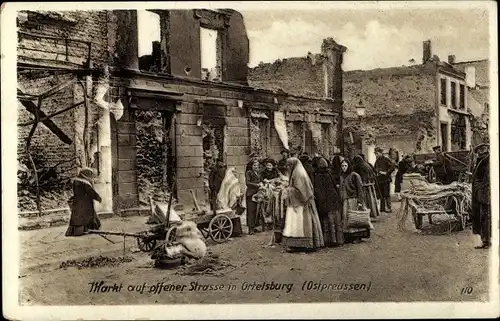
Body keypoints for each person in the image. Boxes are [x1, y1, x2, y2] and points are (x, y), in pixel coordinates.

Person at [282, 157, 324, 252]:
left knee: (300, 224)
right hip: (295, 203)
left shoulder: (300, 175)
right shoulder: (295, 173)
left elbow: (301, 192)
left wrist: (288, 190)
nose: (288, 167)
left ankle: (303, 245)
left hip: (300, 204)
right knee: (294, 224)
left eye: (289, 165)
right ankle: (294, 245)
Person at [313, 157, 344, 247]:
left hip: (326, 202)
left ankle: (329, 241)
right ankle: (338, 240)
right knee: (336, 221)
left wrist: (320, 204)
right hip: (334, 201)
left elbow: (320, 192)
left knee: (327, 221)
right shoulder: (329, 173)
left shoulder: (319, 176)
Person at [339, 159, 371, 243]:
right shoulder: (342, 176)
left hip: (354, 199)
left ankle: (358, 236)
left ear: (349, 166)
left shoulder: (354, 175)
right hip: (346, 200)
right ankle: (350, 236)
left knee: (356, 218)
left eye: (345, 166)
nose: (344, 168)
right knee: (348, 218)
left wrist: (360, 201)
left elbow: (360, 189)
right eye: (342, 166)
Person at [65, 167, 102, 237]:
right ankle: (87, 229)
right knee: (86, 216)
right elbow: (91, 192)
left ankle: (76, 231)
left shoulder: (76, 181)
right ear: (86, 174)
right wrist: (98, 198)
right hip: (86, 202)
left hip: (78, 202)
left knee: (78, 217)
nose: (91, 176)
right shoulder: (85, 182)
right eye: (90, 174)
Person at [471, 144, 490, 249]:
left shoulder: (487, 160)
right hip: (479, 193)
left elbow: (487, 178)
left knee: (485, 217)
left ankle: (487, 241)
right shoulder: (480, 160)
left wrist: (480, 189)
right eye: (479, 150)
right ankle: (485, 240)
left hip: (484, 193)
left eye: (483, 149)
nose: (480, 151)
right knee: (481, 216)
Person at [352, 155, 380, 219]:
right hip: (370, 185)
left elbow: (362, 176)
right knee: (371, 200)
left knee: (366, 201)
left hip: (365, 186)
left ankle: (367, 214)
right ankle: (372, 213)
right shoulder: (366, 165)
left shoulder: (360, 166)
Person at [374, 147, 396, 213]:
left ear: (380, 153)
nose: (376, 155)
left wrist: (386, 172)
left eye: (377, 153)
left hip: (386, 180)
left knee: (386, 194)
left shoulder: (386, 159)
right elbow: (375, 168)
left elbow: (392, 167)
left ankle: (389, 208)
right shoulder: (377, 161)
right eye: (375, 154)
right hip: (379, 180)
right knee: (381, 195)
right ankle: (382, 208)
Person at [245, 160, 262, 235]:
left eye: (257, 165)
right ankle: (250, 229)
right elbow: (247, 183)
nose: (256, 167)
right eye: (254, 165)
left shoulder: (258, 173)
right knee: (251, 211)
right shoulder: (249, 173)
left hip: (257, 193)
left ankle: (254, 227)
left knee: (256, 211)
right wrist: (257, 185)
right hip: (251, 193)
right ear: (251, 166)